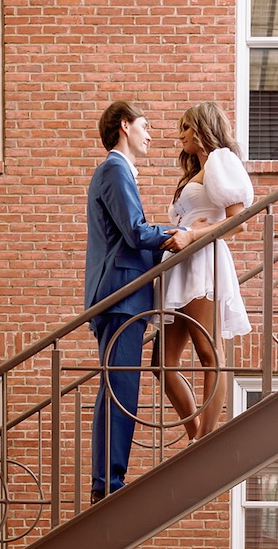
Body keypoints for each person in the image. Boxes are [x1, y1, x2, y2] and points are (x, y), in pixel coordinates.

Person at [84, 101, 198, 504]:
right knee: (121, 389)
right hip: (120, 295)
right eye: (146, 126)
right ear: (125, 126)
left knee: (116, 388)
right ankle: (109, 484)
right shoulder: (115, 169)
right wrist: (182, 233)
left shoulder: (116, 172)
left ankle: (106, 482)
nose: (151, 135)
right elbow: (134, 233)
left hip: (122, 294)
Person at [159, 102, 254, 441]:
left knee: (208, 350)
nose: (179, 134)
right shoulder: (195, 170)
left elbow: (239, 221)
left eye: (185, 127)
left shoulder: (220, 160)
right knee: (162, 362)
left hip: (204, 262)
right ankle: (197, 434)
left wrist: (194, 234)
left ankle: (206, 440)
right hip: (184, 265)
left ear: (201, 128)